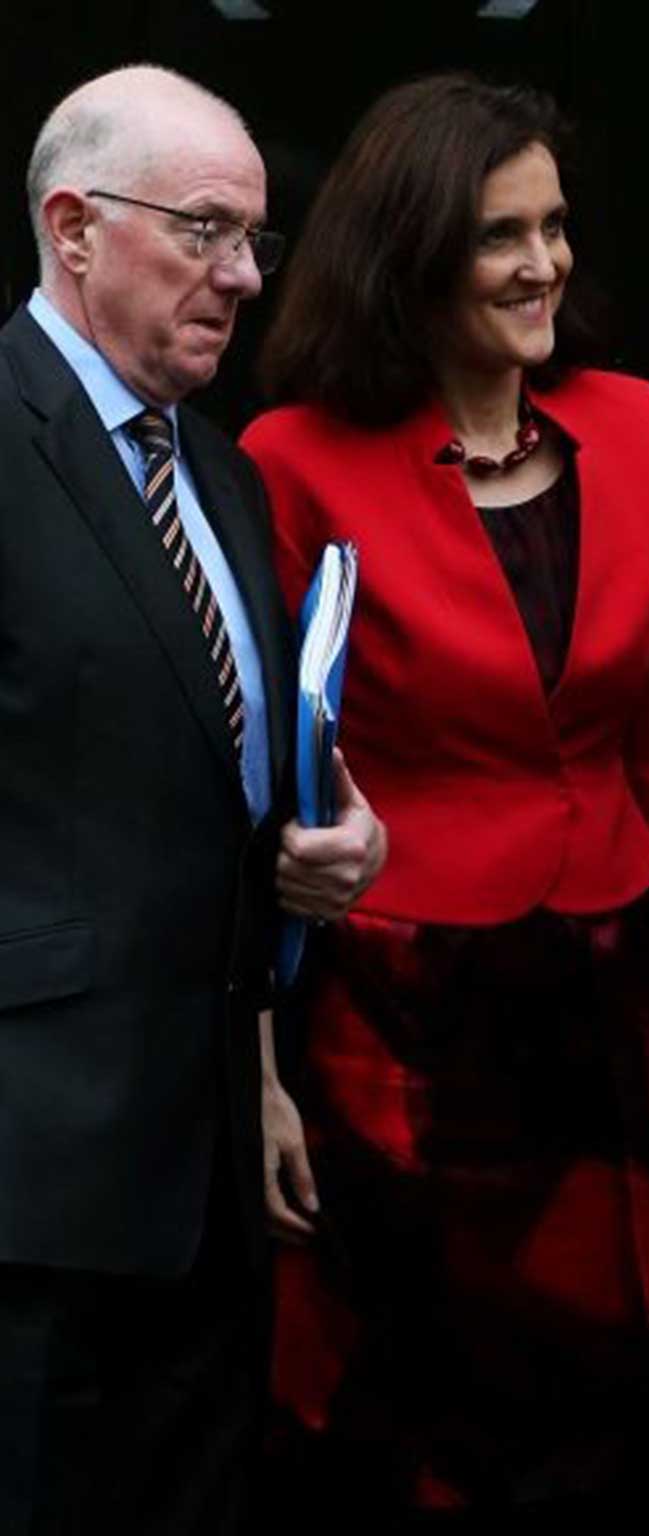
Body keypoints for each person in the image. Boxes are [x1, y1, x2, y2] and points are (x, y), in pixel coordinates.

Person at [238, 75, 649, 1525]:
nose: (546, 264)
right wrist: (256, 1071)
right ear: (407, 261)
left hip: (610, 988)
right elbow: (261, 796)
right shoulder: (292, 458)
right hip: (396, 1015)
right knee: (415, 1425)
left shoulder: (645, 432)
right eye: (500, 236)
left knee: (613, 1413)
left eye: (556, 225)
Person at [0, 65, 385, 1535]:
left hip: (212, 1175)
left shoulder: (220, 472)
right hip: (34, 1194)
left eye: (256, 243)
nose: (241, 279)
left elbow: (224, 772)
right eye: (206, 231)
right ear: (74, 226)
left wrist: (343, 843)